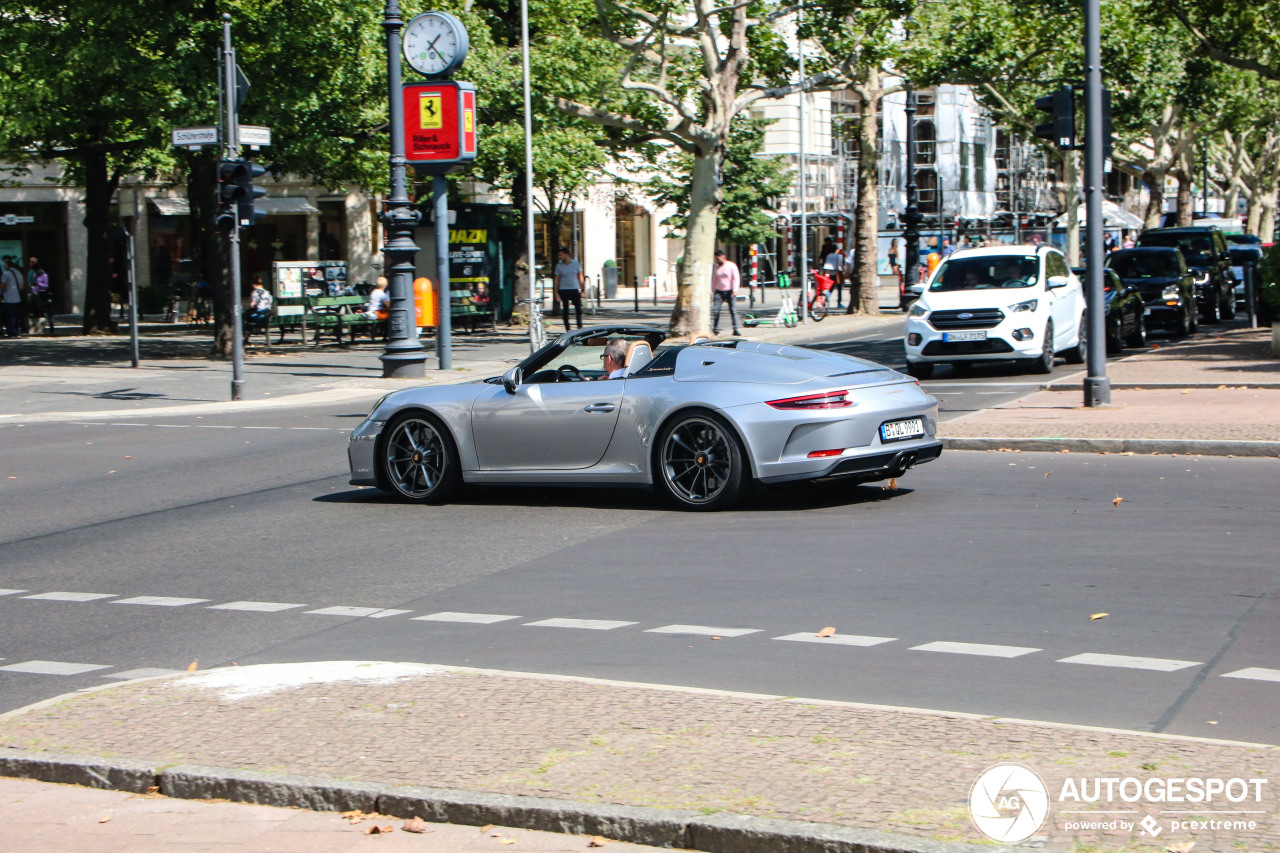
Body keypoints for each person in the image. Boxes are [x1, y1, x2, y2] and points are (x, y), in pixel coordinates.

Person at [553, 247, 585, 331]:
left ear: (566, 254)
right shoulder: (559, 266)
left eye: (561, 255)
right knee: (565, 310)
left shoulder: (575, 264)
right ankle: (568, 329)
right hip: (564, 289)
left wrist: (582, 289)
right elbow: (556, 279)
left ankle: (580, 327)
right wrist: (556, 292)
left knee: (578, 309)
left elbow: (580, 276)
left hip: (574, 289)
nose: (559, 257)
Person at [711, 248, 741, 336]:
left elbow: (736, 278)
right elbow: (714, 279)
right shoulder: (717, 267)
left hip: (730, 291)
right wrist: (712, 290)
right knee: (716, 310)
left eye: (718, 258)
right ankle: (716, 328)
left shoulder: (731, 266)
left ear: (723, 257)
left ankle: (735, 329)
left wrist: (735, 289)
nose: (717, 260)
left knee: (732, 310)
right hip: (719, 291)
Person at [1, 257, 23, 337]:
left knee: (9, 316)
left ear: (7, 265)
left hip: (8, 298)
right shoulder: (18, 272)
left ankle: (11, 331)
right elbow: (22, 286)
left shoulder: (6, 273)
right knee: (16, 316)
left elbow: (3, 285)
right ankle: (17, 331)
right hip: (17, 297)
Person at [821, 243, 844, 308]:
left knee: (831, 289)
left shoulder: (828, 255)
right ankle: (839, 303)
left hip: (831, 274)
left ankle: (825, 299)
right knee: (839, 289)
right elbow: (840, 265)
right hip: (837, 274)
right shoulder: (838, 256)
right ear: (836, 250)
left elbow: (826, 266)